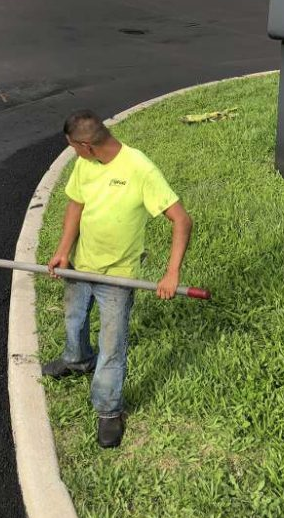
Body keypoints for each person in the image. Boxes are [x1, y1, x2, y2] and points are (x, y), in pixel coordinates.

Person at [41, 110, 192, 449]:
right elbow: (75, 205)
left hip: (118, 277)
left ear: (86, 145)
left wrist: (172, 273)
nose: (73, 153)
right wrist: (63, 251)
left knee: (111, 346)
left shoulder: (140, 168)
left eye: (72, 147)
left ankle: (109, 410)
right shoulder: (85, 164)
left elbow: (182, 220)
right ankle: (77, 360)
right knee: (74, 319)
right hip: (80, 266)